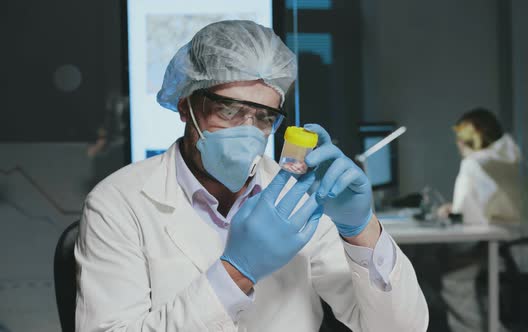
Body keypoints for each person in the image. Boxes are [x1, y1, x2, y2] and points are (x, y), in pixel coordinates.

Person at [74, 20, 428, 331]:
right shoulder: (118, 203)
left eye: (263, 117)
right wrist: (235, 272)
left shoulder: (298, 193)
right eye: (228, 110)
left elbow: (400, 328)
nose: (248, 129)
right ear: (186, 106)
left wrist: (362, 230)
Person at [437, 108, 528, 332]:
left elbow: (470, 232)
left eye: (459, 138)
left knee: (454, 277)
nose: (457, 144)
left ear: (467, 138)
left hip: (512, 251)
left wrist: (451, 218)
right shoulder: (520, 161)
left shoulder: (473, 165)